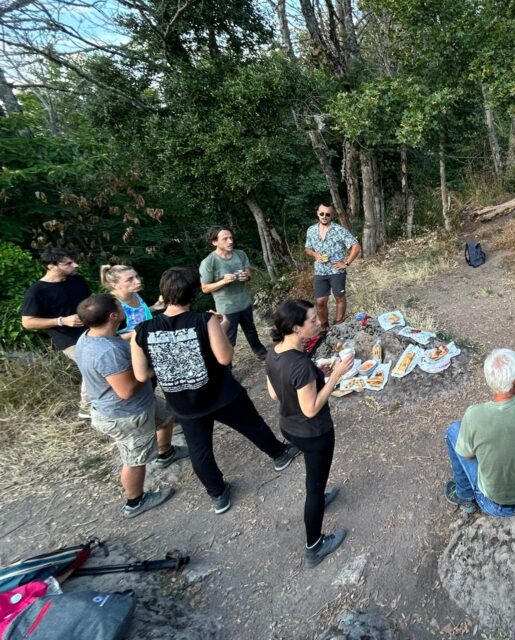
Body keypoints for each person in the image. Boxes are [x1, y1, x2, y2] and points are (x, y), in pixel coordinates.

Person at [132, 267, 299, 515]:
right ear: (193, 293)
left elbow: (141, 375)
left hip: (182, 402)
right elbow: (224, 357)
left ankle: (218, 494)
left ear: (163, 293)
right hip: (221, 394)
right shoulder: (204, 320)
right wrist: (224, 325)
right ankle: (279, 454)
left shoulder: (142, 330)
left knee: (200, 449)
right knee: (252, 425)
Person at [76, 293, 183, 518]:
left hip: (140, 405)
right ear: (114, 315)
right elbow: (126, 390)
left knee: (166, 417)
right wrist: (152, 369)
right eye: (119, 305)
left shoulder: (90, 337)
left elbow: (118, 345)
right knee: (135, 459)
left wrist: (137, 337)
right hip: (127, 414)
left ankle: (166, 453)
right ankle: (135, 502)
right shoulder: (108, 352)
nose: (123, 306)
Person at [265, 299, 353, 567]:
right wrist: (336, 374)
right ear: (296, 328)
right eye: (312, 321)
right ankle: (314, 545)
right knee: (314, 488)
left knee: (314, 476)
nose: (317, 323)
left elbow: (273, 393)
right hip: (314, 433)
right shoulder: (300, 365)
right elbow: (312, 408)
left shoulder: (275, 352)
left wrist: (317, 376)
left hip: (289, 428)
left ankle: (320, 495)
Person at [443, 349, 515, 517]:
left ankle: (465, 496)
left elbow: (468, 455)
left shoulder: (474, 415)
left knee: (453, 431)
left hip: (495, 505)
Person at [20, 248, 92, 417]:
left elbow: (89, 302)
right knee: (92, 365)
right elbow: (27, 322)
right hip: (68, 339)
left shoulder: (77, 280)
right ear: (51, 266)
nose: (75, 265)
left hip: (92, 330)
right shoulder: (37, 291)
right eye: (68, 263)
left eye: (73, 261)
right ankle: (87, 408)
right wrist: (62, 320)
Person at [199, 226, 267, 361]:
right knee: (230, 338)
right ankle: (227, 366)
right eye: (225, 239)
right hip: (226, 307)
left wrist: (246, 277)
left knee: (251, 330)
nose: (230, 241)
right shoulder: (208, 262)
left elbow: (249, 273)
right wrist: (223, 281)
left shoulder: (240, 254)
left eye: (231, 238)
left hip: (244, 302)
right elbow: (205, 288)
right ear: (214, 242)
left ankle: (261, 352)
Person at [304, 204, 361, 330]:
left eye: (328, 214)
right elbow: (307, 248)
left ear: (332, 216)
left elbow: (356, 247)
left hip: (336, 270)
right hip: (320, 271)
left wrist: (346, 263)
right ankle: (324, 327)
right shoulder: (311, 230)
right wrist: (315, 254)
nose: (324, 217)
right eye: (322, 214)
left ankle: (338, 323)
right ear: (317, 213)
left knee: (339, 298)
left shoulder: (339, 230)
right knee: (320, 301)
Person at [101, 264, 164, 337]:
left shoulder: (134, 294)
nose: (138, 282)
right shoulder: (110, 304)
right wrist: (140, 331)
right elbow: (108, 338)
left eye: (137, 277)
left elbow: (136, 315)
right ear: (114, 285)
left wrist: (155, 307)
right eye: (129, 279)